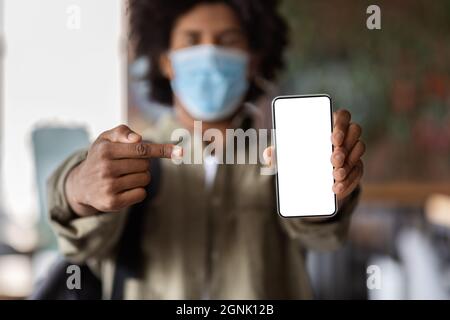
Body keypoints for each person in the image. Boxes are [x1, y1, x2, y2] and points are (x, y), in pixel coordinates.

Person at [48, 0, 365, 299]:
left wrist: (330, 192)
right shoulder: (125, 158)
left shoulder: (285, 156)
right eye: (192, 40)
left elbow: (322, 238)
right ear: (166, 61)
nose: (210, 52)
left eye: (227, 40)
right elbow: (81, 240)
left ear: (252, 61)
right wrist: (79, 189)